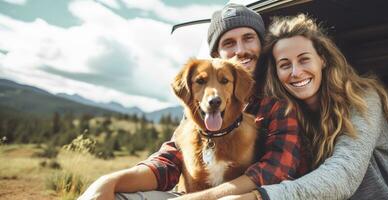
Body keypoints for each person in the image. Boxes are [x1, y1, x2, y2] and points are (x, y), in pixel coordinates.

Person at [78, 4, 311, 200]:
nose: (240, 50)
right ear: (216, 54)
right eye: (229, 43)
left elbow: (272, 173)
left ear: (261, 45)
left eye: (249, 38)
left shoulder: (278, 107)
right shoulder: (196, 111)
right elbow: (167, 162)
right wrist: (109, 181)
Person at [223, 14, 388, 200]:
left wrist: (260, 197)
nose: (296, 72)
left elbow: (343, 174)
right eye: (285, 65)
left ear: (322, 59)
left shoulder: (363, 98)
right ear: (276, 74)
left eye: (304, 59)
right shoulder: (285, 115)